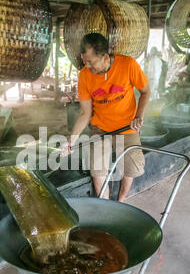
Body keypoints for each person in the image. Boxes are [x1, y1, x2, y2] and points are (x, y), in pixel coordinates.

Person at [64, 32, 150, 202]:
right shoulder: (84, 75)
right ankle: (105, 205)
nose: (87, 66)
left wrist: (139, 116)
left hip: (127, 127)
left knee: (130, 168)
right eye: (84, 61)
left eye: (90, 61)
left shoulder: (128, 65)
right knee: (98, 172)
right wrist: (71, 141)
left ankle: (121, 200)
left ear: (104, 56)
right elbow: (85, 113)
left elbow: (145, 92)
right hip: (100, 128)